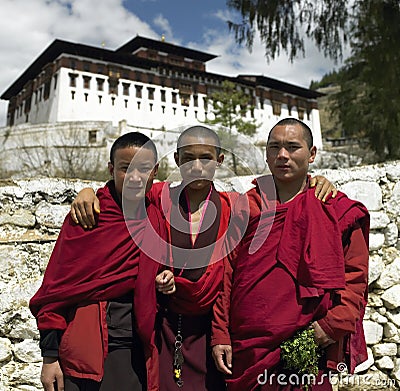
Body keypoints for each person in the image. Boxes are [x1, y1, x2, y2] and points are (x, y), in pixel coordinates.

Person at [70, 125, 337, 391]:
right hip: (162, 326)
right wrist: (89, 192)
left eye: (206, 158)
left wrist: (317, 182)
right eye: (188, 159)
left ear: (219, 161)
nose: (197, 167)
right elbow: (123, 190)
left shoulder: (235, 205)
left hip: (211, 329)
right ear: (177, 161)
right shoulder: (159, 196)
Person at [211, 118, 369, 391]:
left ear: (312, 154)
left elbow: (355, 279)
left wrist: (331, 326)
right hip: (248, 346)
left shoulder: (334, 208)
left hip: (308, 341)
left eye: (292, 147)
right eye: (275, 147)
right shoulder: (247, 206)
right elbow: (226, 273)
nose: (282, 155)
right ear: (266, 154)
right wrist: (220, 334)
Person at [30, 132, 176, 391]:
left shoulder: (157, 213)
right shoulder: (88, 216)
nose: (134, 177)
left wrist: (167, 279)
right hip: (84, 348)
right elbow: (56, 289)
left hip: (136, 347)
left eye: (143, 169)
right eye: (124, 168)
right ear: (111, 169)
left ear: (154, 172)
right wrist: (49, 357)